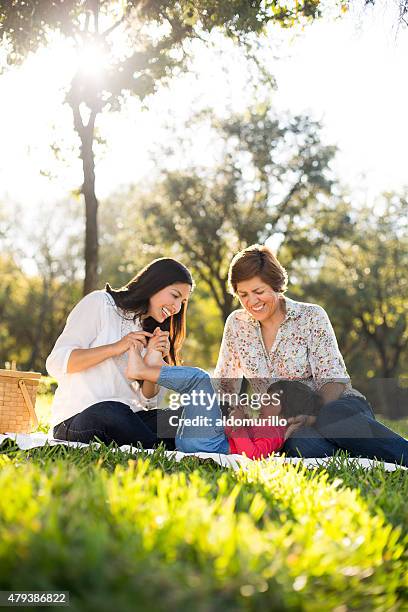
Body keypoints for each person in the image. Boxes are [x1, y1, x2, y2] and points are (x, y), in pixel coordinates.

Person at [214, 243, 408, 467]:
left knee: (332, 420)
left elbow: (332, 379)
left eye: (259, 292)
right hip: (289, 426)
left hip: (336, 407)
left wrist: (313, 416)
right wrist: (236, 414)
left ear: (276, 285)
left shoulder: (311, 316)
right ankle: (356, 446)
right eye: (243, 295)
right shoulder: (237, 325)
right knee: (304, 445)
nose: (252, 302)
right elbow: (226, 386)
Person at [46, 258, 193, 449]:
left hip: (131, 418)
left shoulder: (153, 332)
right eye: (175, 295)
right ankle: (161, 448)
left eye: (183, 302)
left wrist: (153, 363)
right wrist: (116, 347)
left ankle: (156, 444)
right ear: (155, 283)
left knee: (189, 417)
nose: (177, 308)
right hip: (78, 419)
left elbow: (148, 402)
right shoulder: (100, 303)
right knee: (111, 410)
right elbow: (56, 362)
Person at [125, 342, 287, 460]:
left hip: (209, 445)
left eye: (272, 401)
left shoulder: (275, 431)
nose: (264, 401)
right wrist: (238, 420)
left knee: (199, 379)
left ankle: (143, 371)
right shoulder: (264, 425)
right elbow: (236, 436)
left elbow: (253, 454)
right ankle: (155, 368)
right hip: (202, 442)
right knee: (199, 392)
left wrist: (238, 427)